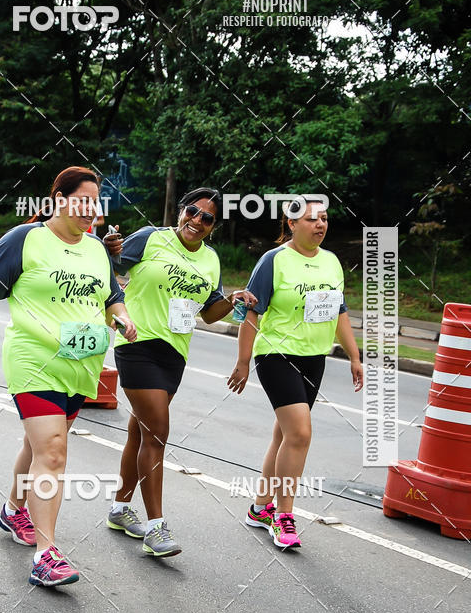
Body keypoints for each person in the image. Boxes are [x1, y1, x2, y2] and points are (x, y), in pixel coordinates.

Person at [0, 166, 136, 586]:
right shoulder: (23, 240)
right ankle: (46, 553)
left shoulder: (96, 251)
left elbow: (111, 298)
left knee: (38, 448)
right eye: (82, 201)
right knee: (53, 450)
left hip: (81, 363)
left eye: (96, 203)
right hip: (34, 362)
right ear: (58, 198)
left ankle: (14, 510)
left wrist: (122, 319)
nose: (90, 211)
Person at [104, 188, 256, 557]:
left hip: (174, 354)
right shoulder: (151, 238)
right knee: (157, 433)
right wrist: (108, 250)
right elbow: (111, 267)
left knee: (140, 432)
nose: (198, 221)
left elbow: (208, 312)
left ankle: (121, 508)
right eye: (193, 211)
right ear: (181, 211)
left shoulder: (211, 260)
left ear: (213, 227)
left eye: (207, 218)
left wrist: (233, 299)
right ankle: (156, 528)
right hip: (137, 344)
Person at [227, 198, 363, 549]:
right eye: (311, 219)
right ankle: (283, 514)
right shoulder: (274, 261)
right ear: (290, 223)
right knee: (300, 434)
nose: (320, 225)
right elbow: (249, 313)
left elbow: (340, 312)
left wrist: (354, 355)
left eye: (325, 219)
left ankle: (259, 508)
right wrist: (243, 362)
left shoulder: (332, 262)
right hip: (276, 355)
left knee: (285, 436)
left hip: (314, 357)